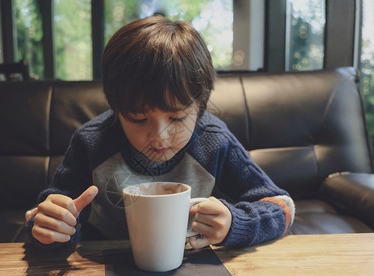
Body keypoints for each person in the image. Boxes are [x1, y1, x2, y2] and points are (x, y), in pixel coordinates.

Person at [26, 15, 295, 249]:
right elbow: (46, 214)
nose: (160, 136)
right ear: (116, 107)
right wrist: (52, 226)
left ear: (200, 107)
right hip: (100, 269)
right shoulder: (92, 142)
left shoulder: (214, 140)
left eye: (177, 118)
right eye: (138, 118)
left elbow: (281, 207)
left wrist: (235, 222)